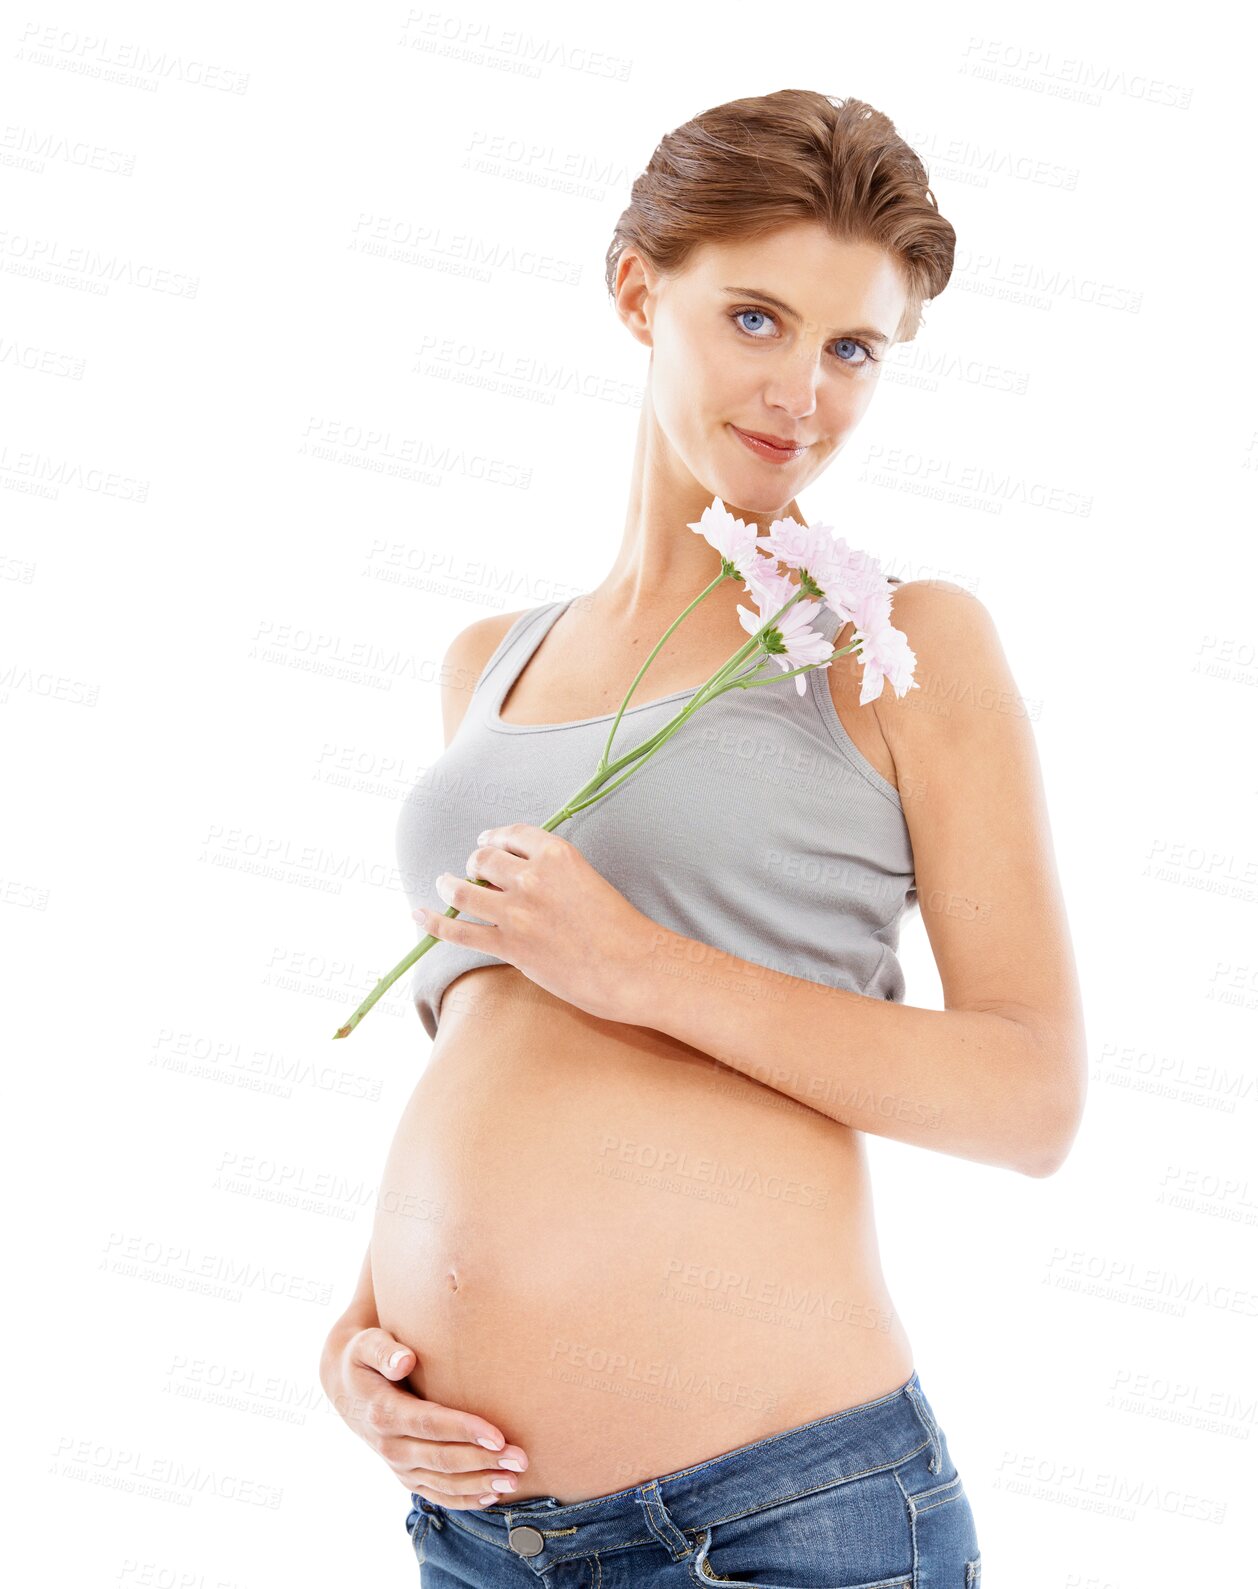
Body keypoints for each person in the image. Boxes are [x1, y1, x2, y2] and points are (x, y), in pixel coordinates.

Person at [319, 88, 1085, 1584]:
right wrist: (362, 1335)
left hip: (776, 1523)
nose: (802, 391)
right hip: (484, 1534)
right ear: (635, 291)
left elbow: (1029, 1097)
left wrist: (645, 965)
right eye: (754, 318)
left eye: (851, 347)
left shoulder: (898, 649)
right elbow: (500, 1031)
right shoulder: (490, 659)